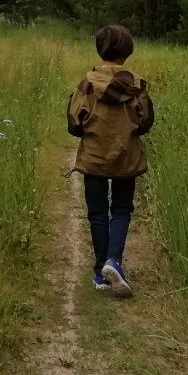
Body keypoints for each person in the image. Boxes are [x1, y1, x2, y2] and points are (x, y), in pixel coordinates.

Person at [66, 24, 155, 298]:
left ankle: (100, 273)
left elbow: (73, 124)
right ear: (126, 54)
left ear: (99, 50)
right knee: (121, 209)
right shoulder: (137, 86)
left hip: (94, 159)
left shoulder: (87, 84)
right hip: (126, 159)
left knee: (96, 213)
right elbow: (145, 123)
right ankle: (113, 261)